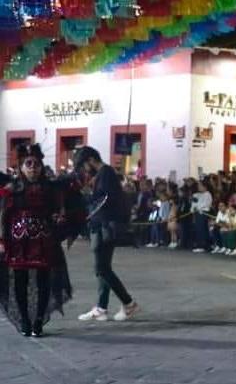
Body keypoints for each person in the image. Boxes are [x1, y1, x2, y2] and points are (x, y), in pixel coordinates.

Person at [0, 144, 79, 336]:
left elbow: (58, 211)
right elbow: (3, 216)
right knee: (20, 281)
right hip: (18, 243)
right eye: (28, 164)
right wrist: (2, 241)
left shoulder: (51, 189)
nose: (33, 167)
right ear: (21, 167)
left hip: (43, 242)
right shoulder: (11, 190)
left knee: (44, 281)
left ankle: (38, 321)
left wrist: (59, 219)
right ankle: (25, 320)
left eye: (36, 164)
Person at [73, 146, 139, 322]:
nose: (84, 170)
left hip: (104, 226)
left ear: (90, 160)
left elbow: (105, 199)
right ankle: (102, 307)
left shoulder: (106, 173)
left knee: (101, 268)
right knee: (102, 268)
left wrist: (87, 199)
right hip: (100, 225)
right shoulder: (103, 174)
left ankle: (128, 302)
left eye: (83, 166)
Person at [191, 180, 213, 253]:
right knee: (198, 229)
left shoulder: (208, 194)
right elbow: (194, 203)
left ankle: (203, 246)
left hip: (203, 213)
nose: (198, 187)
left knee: (202, 229)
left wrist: (198, 208)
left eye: (200, 185)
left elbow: (206, 204)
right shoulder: (196, 194)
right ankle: (199, 244)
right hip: (197, 213)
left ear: (205, 187)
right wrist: (193, 208)